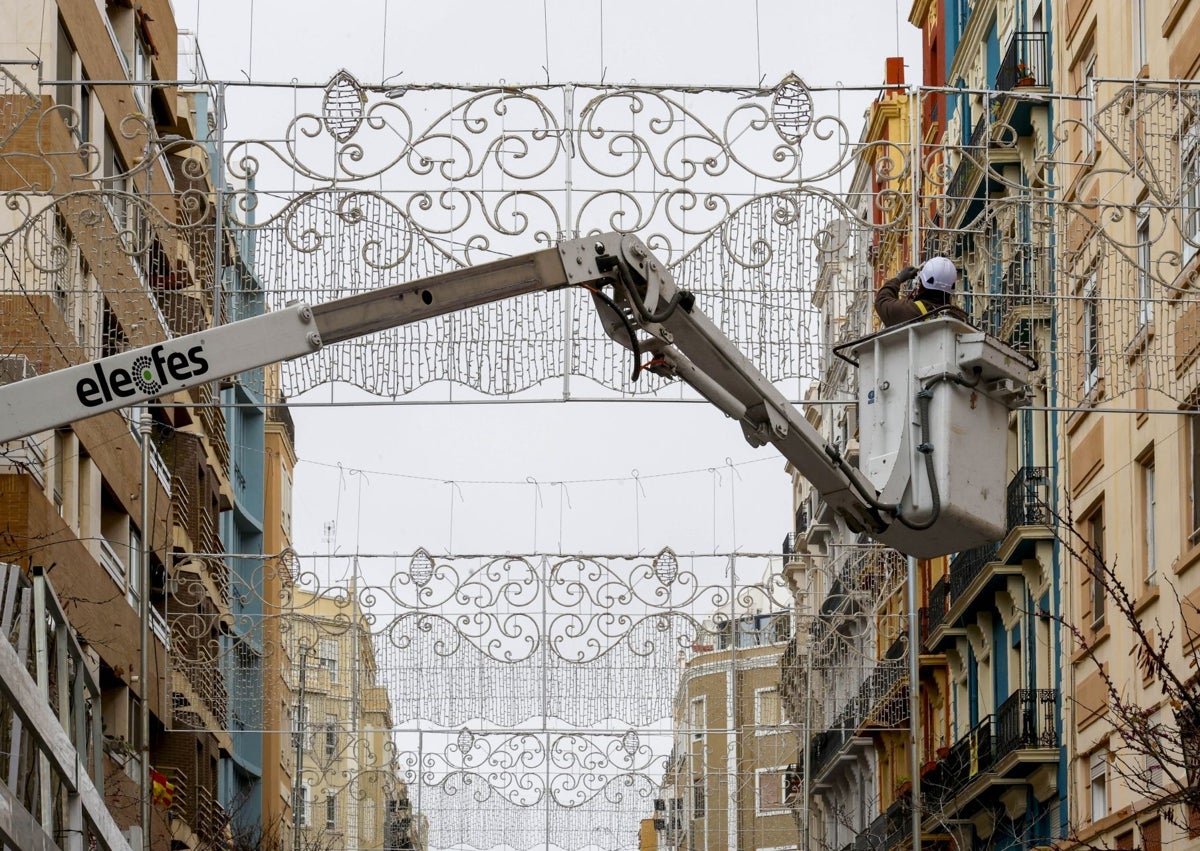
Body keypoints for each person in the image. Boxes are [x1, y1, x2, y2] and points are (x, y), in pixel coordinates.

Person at [874, 256, 967, 328]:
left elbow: (881, 301)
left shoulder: (910, 311)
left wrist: (899, 279)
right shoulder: (959, 316)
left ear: (922, 284)